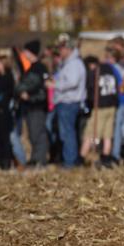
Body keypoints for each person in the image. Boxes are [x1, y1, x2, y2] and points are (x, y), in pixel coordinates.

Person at [52, 39, 87, 168]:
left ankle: (70, 162)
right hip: (66, 102)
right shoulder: (68, 63)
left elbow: (72, 82)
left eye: (61, 49)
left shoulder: (74, 63)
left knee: (67, 133)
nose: (59, 51)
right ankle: (70, 160)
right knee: (67, 133)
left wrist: (55, 85)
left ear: (68, 49)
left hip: (69, 102)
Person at [15, 40, 50, 166]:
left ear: (30, 52)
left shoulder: (37, 68)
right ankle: (35, 158)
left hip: (37, 105)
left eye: (25, 51)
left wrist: (20, 89)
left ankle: (39, 160)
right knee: (32, 134)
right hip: (31, 106)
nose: (24, 54)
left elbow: (27, 85)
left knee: (37, 133)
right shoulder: (32, 67)